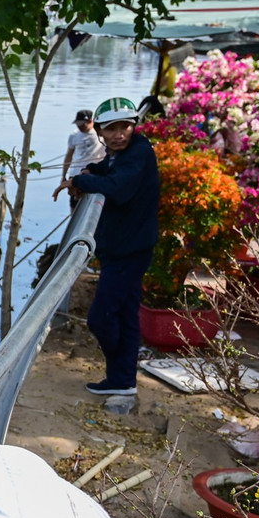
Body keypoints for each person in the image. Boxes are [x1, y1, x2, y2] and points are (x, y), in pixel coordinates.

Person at [52, 96, 160, 396]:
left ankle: (120, 371)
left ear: (134, 126)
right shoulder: (119, 154)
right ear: (99, 131)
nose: (118, 134)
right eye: (111, 129)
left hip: (130, 250)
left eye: (125, 126)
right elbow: (106, 168)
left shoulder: (139, 152)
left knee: (101, 319)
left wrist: (80, 183)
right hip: (122, 246)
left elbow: (119, 188)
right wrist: (83, 175)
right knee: (125, 315)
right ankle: (123, 380)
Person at [55, 109, 106, 205]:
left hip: (93, 173)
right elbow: (69, 155)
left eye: (82, 124)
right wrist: (63, 176)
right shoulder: (74, 135)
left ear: (91, 121)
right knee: (74, 201)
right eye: (78, 124)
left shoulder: (101, 133)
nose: (80, 127)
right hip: (75, 173)